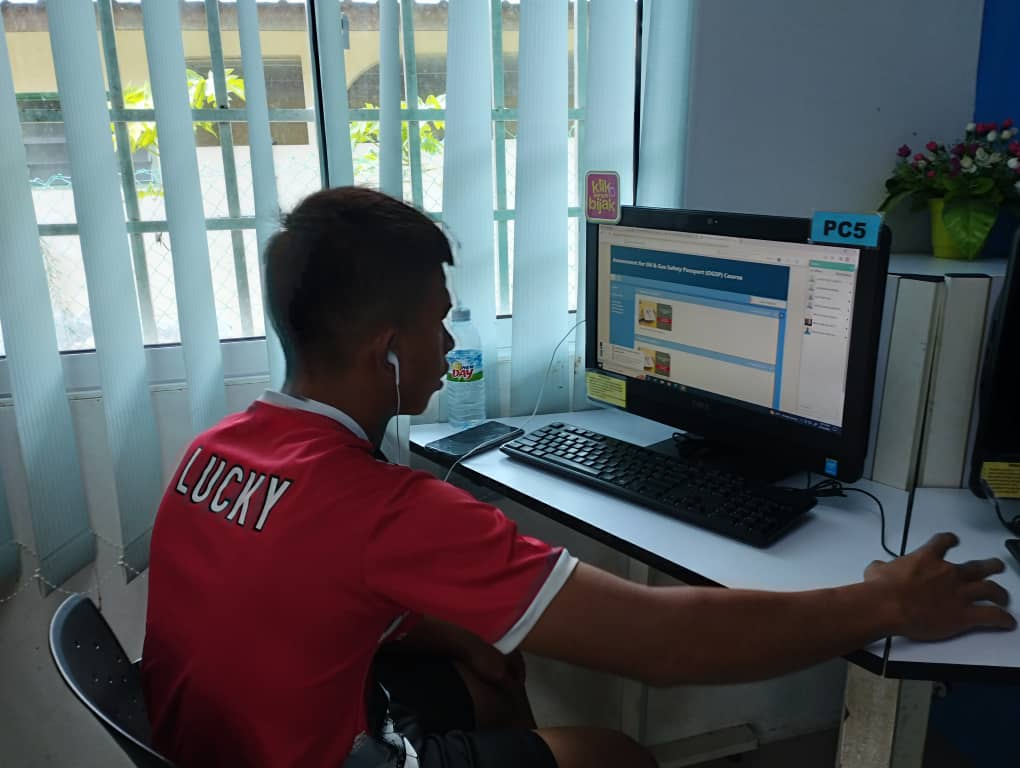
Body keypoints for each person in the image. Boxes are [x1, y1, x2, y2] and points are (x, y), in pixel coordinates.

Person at [142, 187, 1015, 768]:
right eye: (439, 324)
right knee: (616, 756)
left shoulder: (215, 450)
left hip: (210, 748)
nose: (449, 345)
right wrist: (884, 603)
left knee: (491, 663)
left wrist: (462, 637)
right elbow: (664, 647)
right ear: (388, 352)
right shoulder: (388, 510)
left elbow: (308, 593)